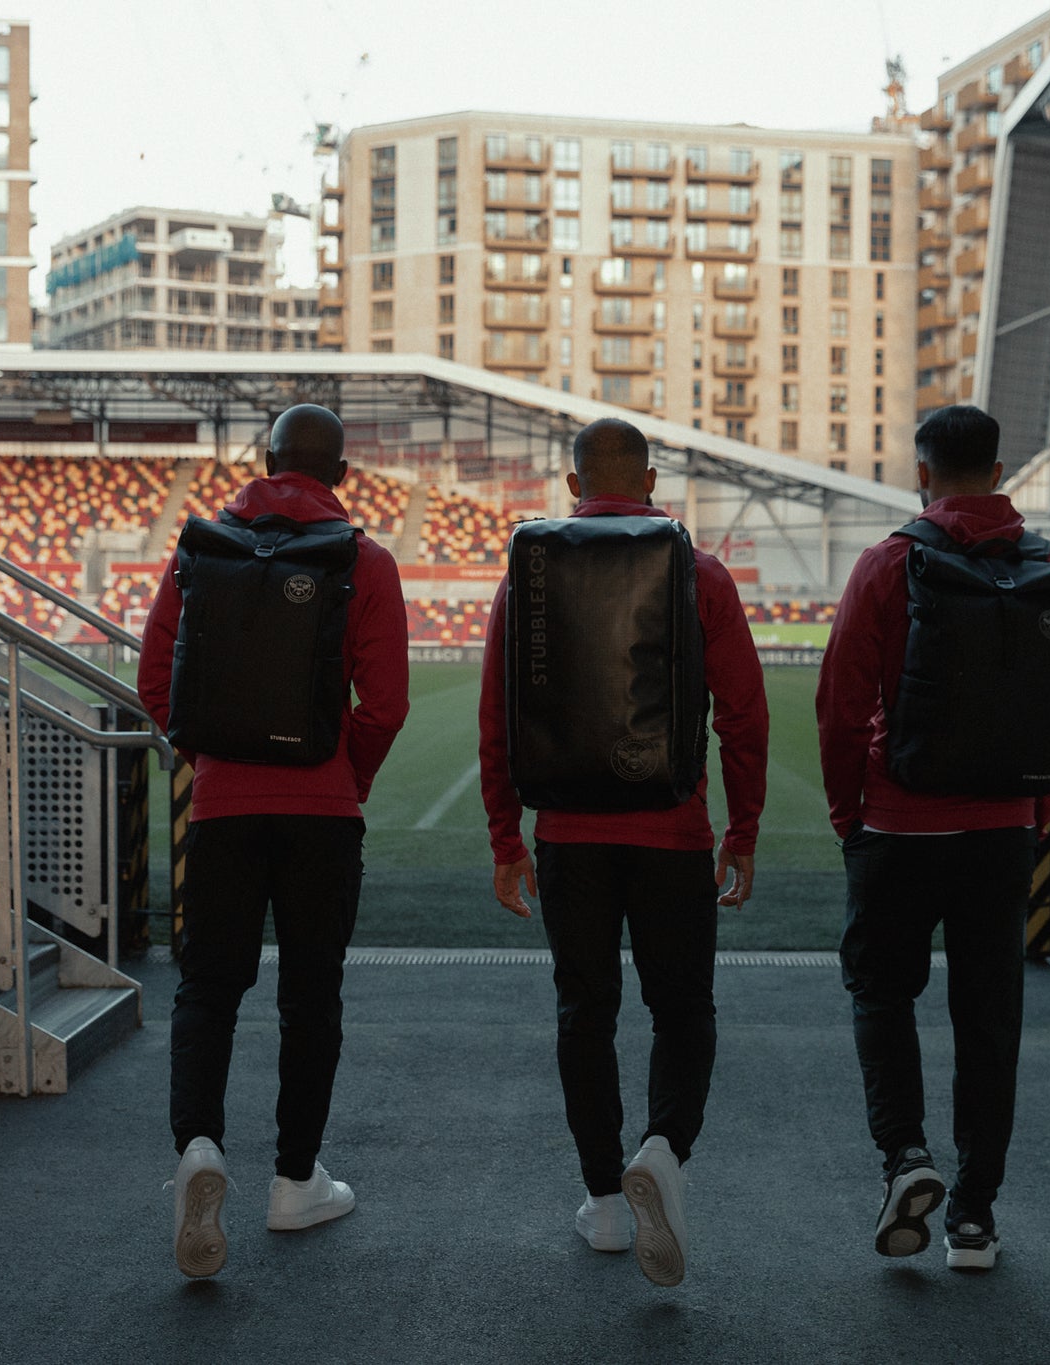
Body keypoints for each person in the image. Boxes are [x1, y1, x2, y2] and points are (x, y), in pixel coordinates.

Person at [477, 417, 769, 1288]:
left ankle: (605, 1200)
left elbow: (498, 717)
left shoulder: (527, 573)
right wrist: (743, 829)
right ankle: (664, 1150)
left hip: (569, 834)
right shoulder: (699, 571)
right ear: (649, 481)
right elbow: (744, 715)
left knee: (585, 1013)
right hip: (673, 830)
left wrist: (505, 837)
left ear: (574, 486)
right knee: (683, 1010)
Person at [815, 404, 1050, 1271]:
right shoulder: (1046, 570)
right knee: (989, 1016)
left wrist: (848, 813)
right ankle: (974, 1215)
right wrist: (1039, 809)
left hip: (898, 823)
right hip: (1002, 828)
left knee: (880, 991)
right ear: (999, 473)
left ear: (922, 474)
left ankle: (906, 1156)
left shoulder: (888, 563)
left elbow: (840, 703)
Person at [138, 404, 410, 1279]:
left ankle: (199, 1145)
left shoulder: (201, 548)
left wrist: (211, 758)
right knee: (311, 996)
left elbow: (156, 680)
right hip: (322, 814)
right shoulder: (366, 560)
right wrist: (343, 772)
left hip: (223, 810)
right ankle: (295, 1181)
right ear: (342, 475)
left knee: (208, 988)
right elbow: (386, 703)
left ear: (264, 462)